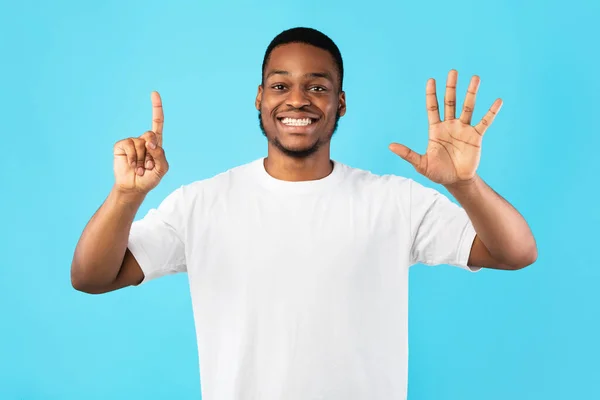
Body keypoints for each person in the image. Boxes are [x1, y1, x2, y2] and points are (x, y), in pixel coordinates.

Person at [71, 27, 537, 400]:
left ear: (341, 103)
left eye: (318, 86)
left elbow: (515, 252)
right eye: (280, 85)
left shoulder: (394, 201)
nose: (297, 99)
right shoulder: (202, 203)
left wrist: (464, 184)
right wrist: (126, 197)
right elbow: (93, 276)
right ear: (259, 98)